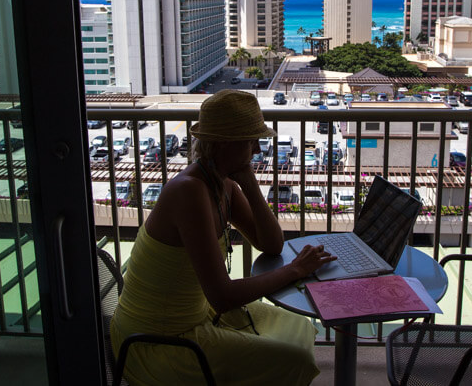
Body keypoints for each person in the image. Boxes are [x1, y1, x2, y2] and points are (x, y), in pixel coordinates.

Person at [111, 89, 335, 385]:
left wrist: (250, 183)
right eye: (250, 140)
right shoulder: (189, 191)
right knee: (295, 358)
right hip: (159, 340)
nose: (257, 149)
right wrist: (295, 270)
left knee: (298, 326)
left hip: (199, 315)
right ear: (222, 144)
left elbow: (271, 243)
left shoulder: (222, 185)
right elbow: (223, 296)